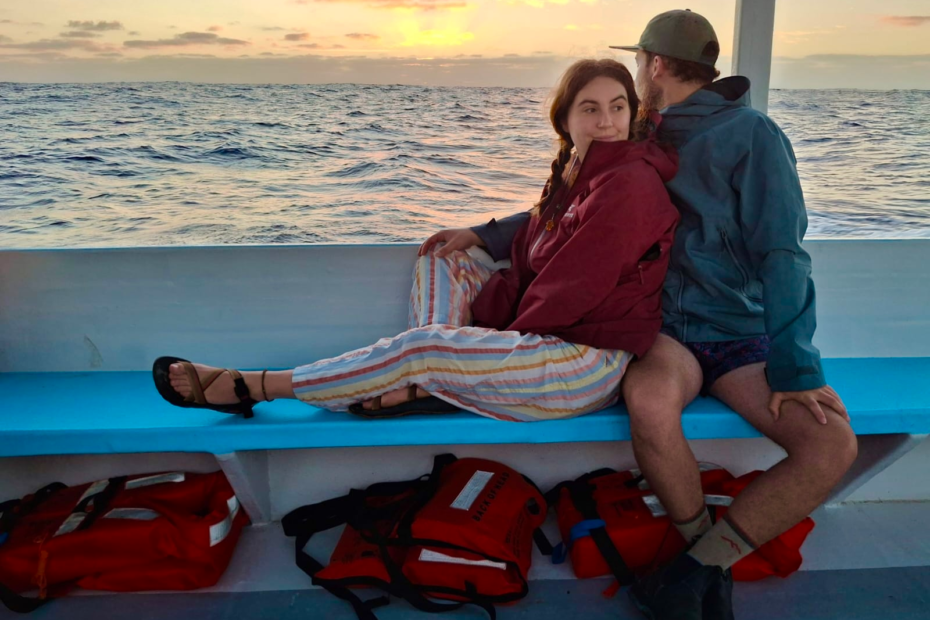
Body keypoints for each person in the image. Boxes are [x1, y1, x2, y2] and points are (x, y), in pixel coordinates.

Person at [434, 10, 857, 620]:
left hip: (740, 335)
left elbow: (784, 254)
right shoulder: (637, 134)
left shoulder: (754, 135)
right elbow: (575, 213)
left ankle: (694, 570)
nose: (635, 76)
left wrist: (797, 367)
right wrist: (485, 232)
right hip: (662, 332)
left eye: (638, 63)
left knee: (831, 446)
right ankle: (699, 569)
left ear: (655, 65)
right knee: (653, 406)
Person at [153, 59, 680, 427]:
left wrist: (480, 341)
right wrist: (480, 234)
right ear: (565, 120)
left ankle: (253, 387)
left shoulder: (628, 182)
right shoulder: (577, 168)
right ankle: (432, 382)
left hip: (585, 363)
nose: (606, 121)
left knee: (425, 347)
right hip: (553, 335)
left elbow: (573, 288)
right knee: (441, 259)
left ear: (632, 111)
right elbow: (552, 227)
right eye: (590, 109)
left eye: (617, 106)